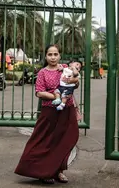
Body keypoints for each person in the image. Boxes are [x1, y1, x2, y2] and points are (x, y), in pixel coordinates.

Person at [14, 44, 80, 184]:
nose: (53, 57)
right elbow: (39, 92)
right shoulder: (43, 72)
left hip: (66, 110)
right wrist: (56, 97)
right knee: (44, 141)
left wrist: (73, 81)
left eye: (55, 54)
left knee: (65, 140)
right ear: (46, 56)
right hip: (49, 112)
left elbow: (76, 82)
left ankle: (59, 171)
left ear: (60, 55)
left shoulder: (65, 68)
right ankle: (43, 172)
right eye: (50, 54)